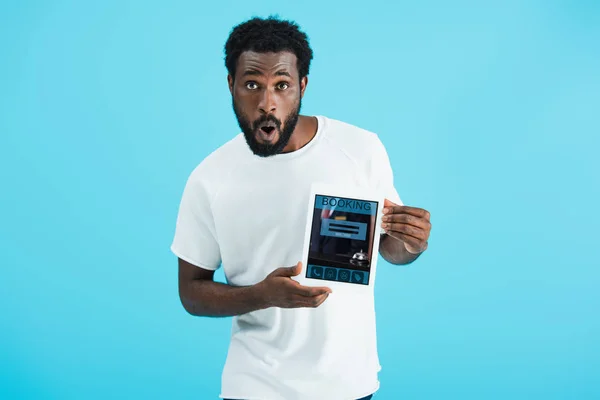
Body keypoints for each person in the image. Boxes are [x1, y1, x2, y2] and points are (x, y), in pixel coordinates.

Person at [170, 16, 432, 400]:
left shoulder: (360, 149)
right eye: (251, 85)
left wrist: (411, 243)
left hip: (348, 382)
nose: (266, 103)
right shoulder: (209, 178)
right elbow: (191, 292)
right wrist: (262, 294)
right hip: (255, 386)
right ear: (231, 85)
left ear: (302, 86)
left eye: (282, 85)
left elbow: (390, 249)